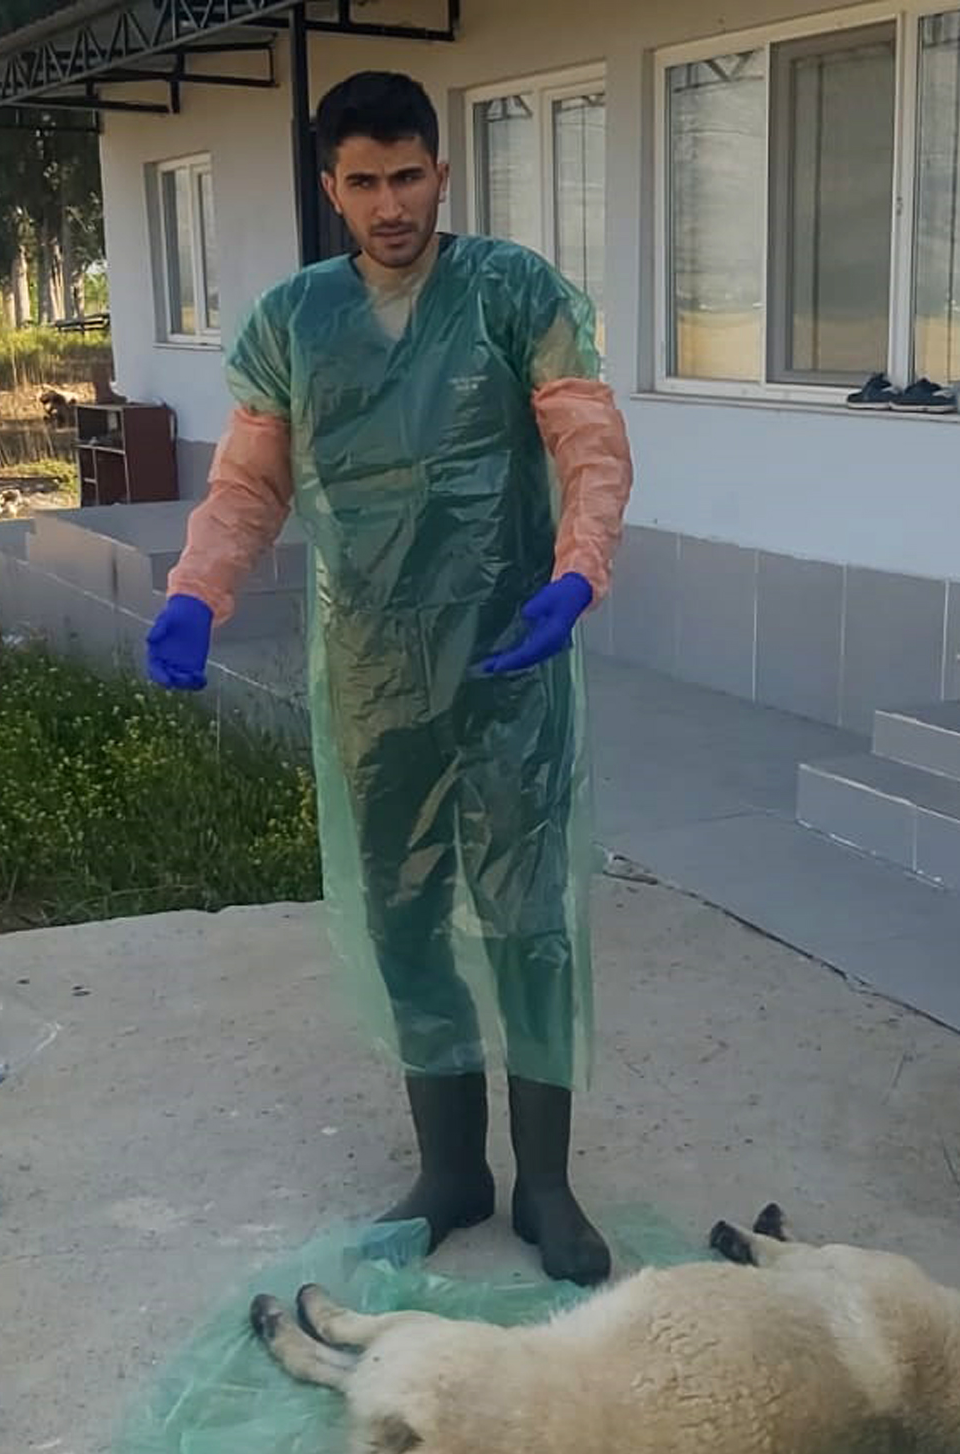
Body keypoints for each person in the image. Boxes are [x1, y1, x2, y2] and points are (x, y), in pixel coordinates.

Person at [144, 71, 634, 1285]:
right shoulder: (291, 323)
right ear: (329, 187)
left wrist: (578, 572)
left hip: (507, 657)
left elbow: (586, 437)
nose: (389, 202)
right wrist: (194, 592)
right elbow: (250, 483)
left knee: (529, 915)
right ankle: (450, 1171)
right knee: (402, 910)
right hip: (369, 667)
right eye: (361, 181)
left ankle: (550, 1184)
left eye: (406, 174)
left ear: (440, 170)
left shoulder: (513, 291)